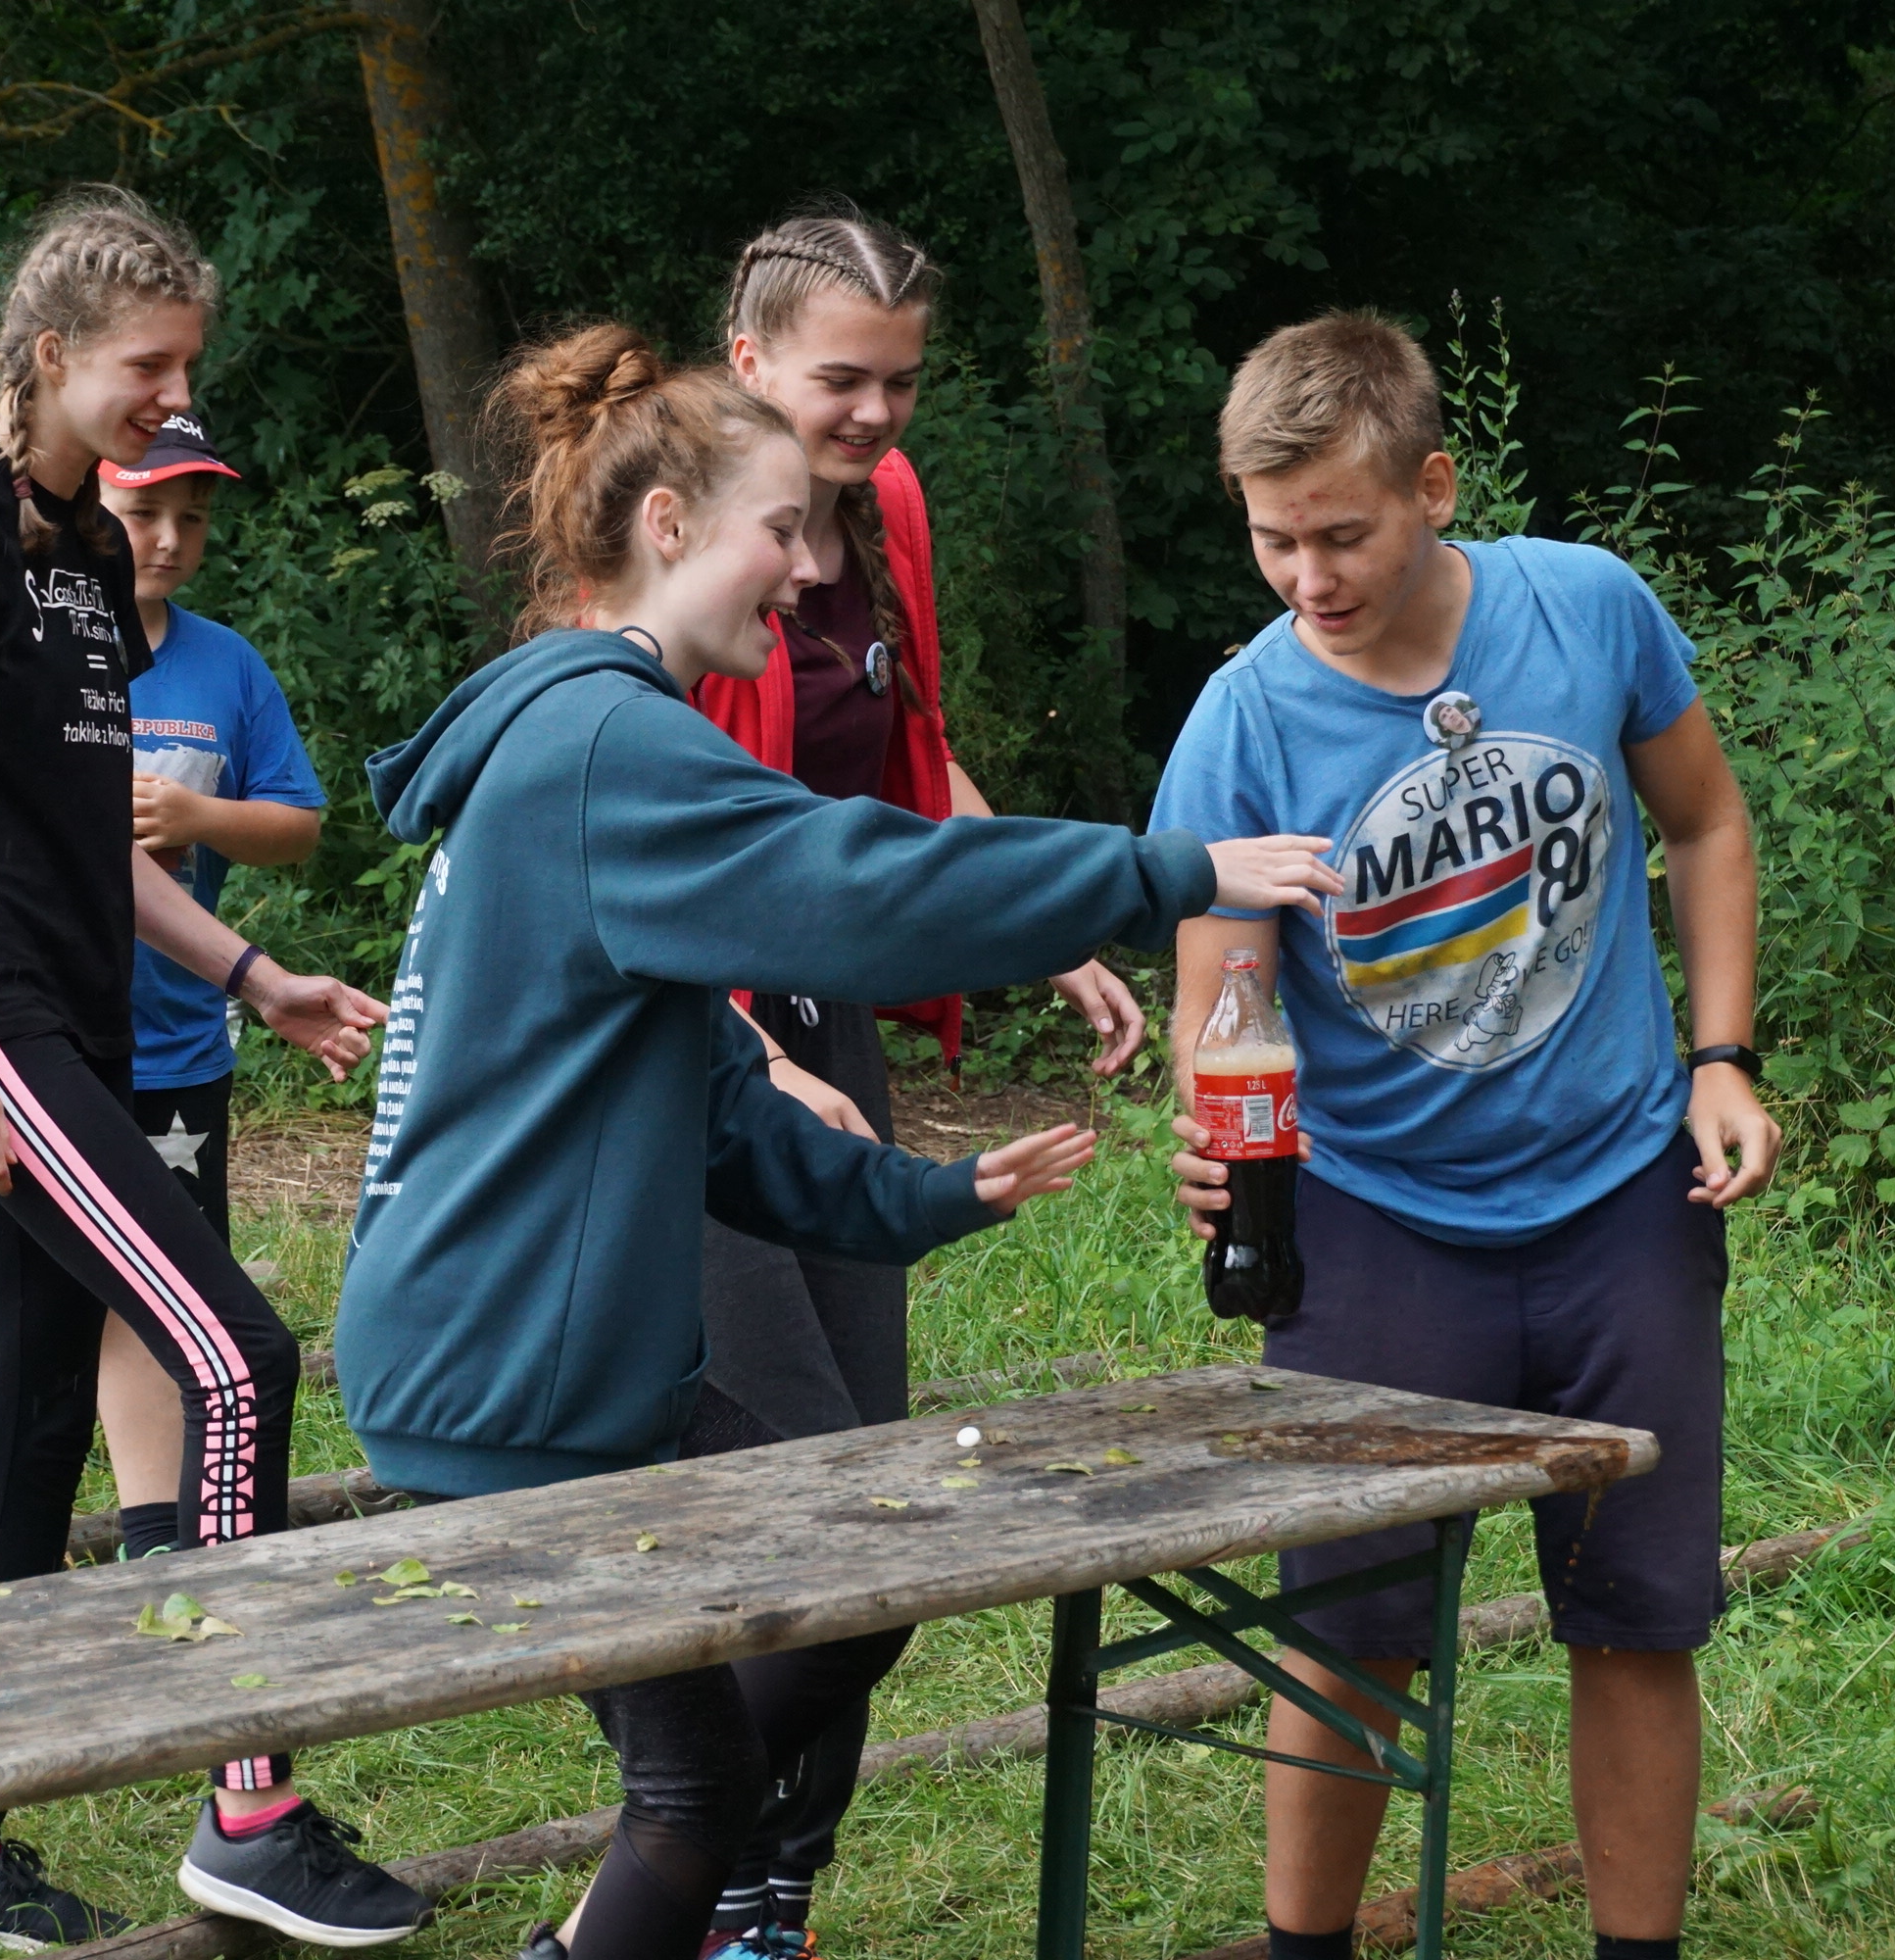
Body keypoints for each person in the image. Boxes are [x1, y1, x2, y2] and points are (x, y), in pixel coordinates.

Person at [330, 321, 1340, 1960]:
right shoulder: (610, 746)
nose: (809, 574)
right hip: (512, 1367)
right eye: (779, 529)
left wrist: (925, 1196)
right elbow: (870, 888)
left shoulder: (586, 739)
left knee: (845, 1608)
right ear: (670, 526)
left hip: (547, 1351)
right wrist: (1169, 870)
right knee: (697, 1788)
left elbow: (719, 1111)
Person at [0, 186, 425, 1950]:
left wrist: (255, 974)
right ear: (54, 350)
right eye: (149, 365)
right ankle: (251, 1803)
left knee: (35, 1428)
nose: (172, 395)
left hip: (72, 1016)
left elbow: (91, 844)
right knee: (237, 1355)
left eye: (186, 366)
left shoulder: (81, 552)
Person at [1148, 312, 1778, 1960]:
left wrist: (1720, 1059)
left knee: (1635, 1619)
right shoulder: (1241, 724)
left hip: (1620, 1197)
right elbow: (1221, 1006)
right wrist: (1214, 1133)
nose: (1308, 578)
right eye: (1273, 542)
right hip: (1371, 1224)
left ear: (1432, 488)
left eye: (1341, 535)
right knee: (1348, 1630)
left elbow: (1705, 821)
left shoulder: (1586, 609)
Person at [682, 206, 1148, 1957]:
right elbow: (614, 856)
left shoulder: (885, 510)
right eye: (840, 381)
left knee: (871, 1485)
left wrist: (1038, 912)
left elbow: (910, 763)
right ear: (746, 361)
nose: (875, 414)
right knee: (811, 1492)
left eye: (900, 382)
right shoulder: (667, 522)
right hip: (680, 1046)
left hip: (828, 1024)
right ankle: (675, 1866)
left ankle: (769, 1895)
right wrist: (751, 1064)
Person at [0, 411, 329, 1577]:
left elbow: (282, 825)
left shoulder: (209, 660)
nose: (169, 537)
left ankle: (147, 1544)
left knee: (137, 1304)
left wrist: (228, 901)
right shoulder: (0, 608)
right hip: (22, 1036)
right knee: (57, 1286)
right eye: (145, 510)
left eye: (192, 516)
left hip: (164, 1038)